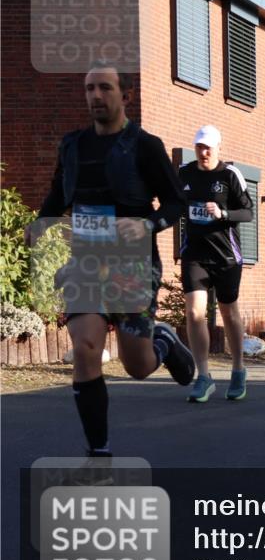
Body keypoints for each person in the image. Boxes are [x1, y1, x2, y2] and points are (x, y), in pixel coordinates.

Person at [28, 60, 194, 459]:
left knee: (137, 366)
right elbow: (57, 193)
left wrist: (149, 225)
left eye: (104, 87)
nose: (96, 96)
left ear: (125, 95)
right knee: (86, 347)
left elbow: (177, 203)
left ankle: (164, 343)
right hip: (85, 261)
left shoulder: (145, 146)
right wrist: (40, 224)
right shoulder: (72, 145)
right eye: (89, 89)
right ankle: (98, 448)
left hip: (131, 263)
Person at [178, 125, 253, 402]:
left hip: (226, 256)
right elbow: (174, 204)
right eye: (199, 146)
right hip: (195, 255)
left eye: (208, 147)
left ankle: (238, 370)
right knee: (194, 313)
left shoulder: (230, 175)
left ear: (218, 147)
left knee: (228, 312)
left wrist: (222, 212)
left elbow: (247, 213)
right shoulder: (184, 174)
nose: (204, 152)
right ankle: (204, 376)